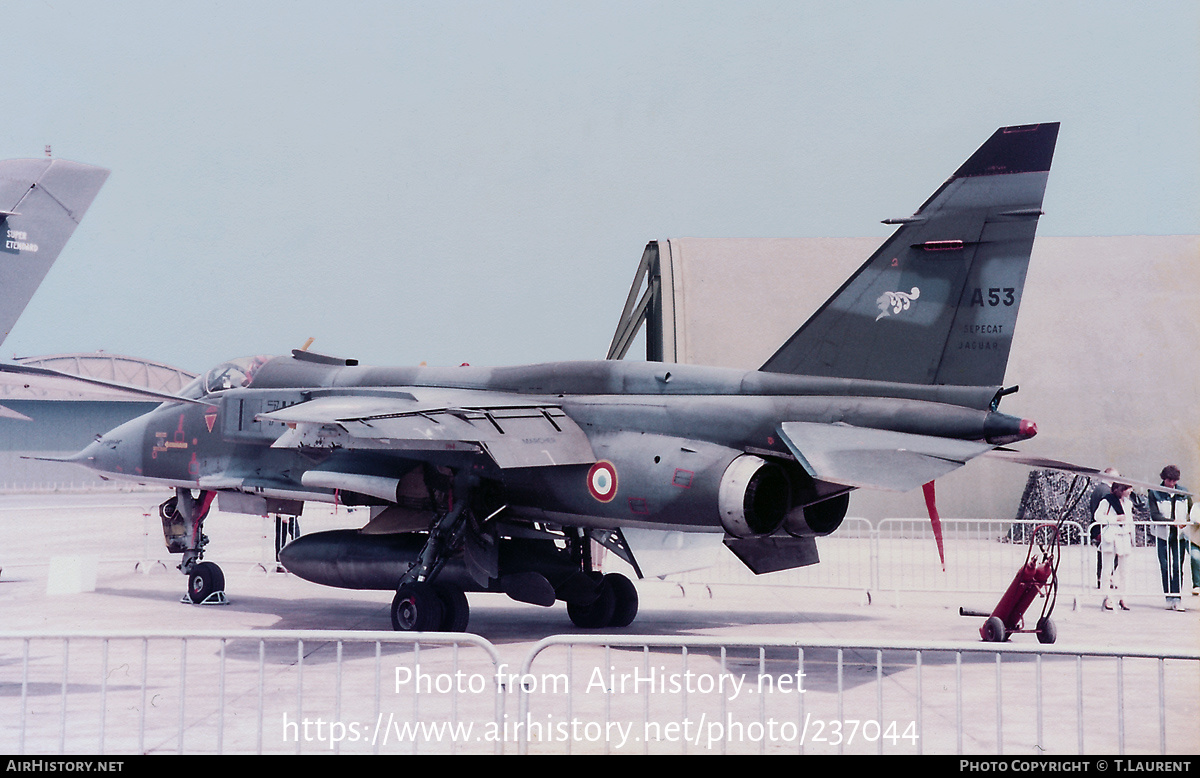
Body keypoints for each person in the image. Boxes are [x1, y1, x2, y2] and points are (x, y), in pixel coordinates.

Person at [1148, 465, 1193, 611]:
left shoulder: (1183, 492)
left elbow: (1190, 512)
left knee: (1177, 567)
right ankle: (1168, 596)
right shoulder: (1154, 492)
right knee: (1165, 566)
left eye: (1174, 481)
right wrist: (1170, 521)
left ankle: (1177, 597)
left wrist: (1186, 522)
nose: (1172, 484)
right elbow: (1154, 515)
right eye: (1169, 480)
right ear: (1164, 478)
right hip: (1163, 535)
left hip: (1179, 536)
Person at [1095, 481, 1135, 610]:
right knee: (1107, 569)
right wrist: (1115, 519)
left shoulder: (1128, 503)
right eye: (1127, 488)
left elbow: (1129, 520)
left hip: (1124, 536)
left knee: (1125, 570)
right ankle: (1107, 597)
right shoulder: (1106, 501)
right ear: (1120, 489)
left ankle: (1123, 597)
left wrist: (1132, 538)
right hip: (1111, 536)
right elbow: (1097, 517)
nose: (1130, 491)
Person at [1089, 468, 1121, 588]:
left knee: (1103, 554)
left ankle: (1101, 578)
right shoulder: (1106, 492)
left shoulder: (1098, 489)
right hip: (1104, 528)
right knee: (1110, 554)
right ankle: (1106, 579)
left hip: (1098, 527)